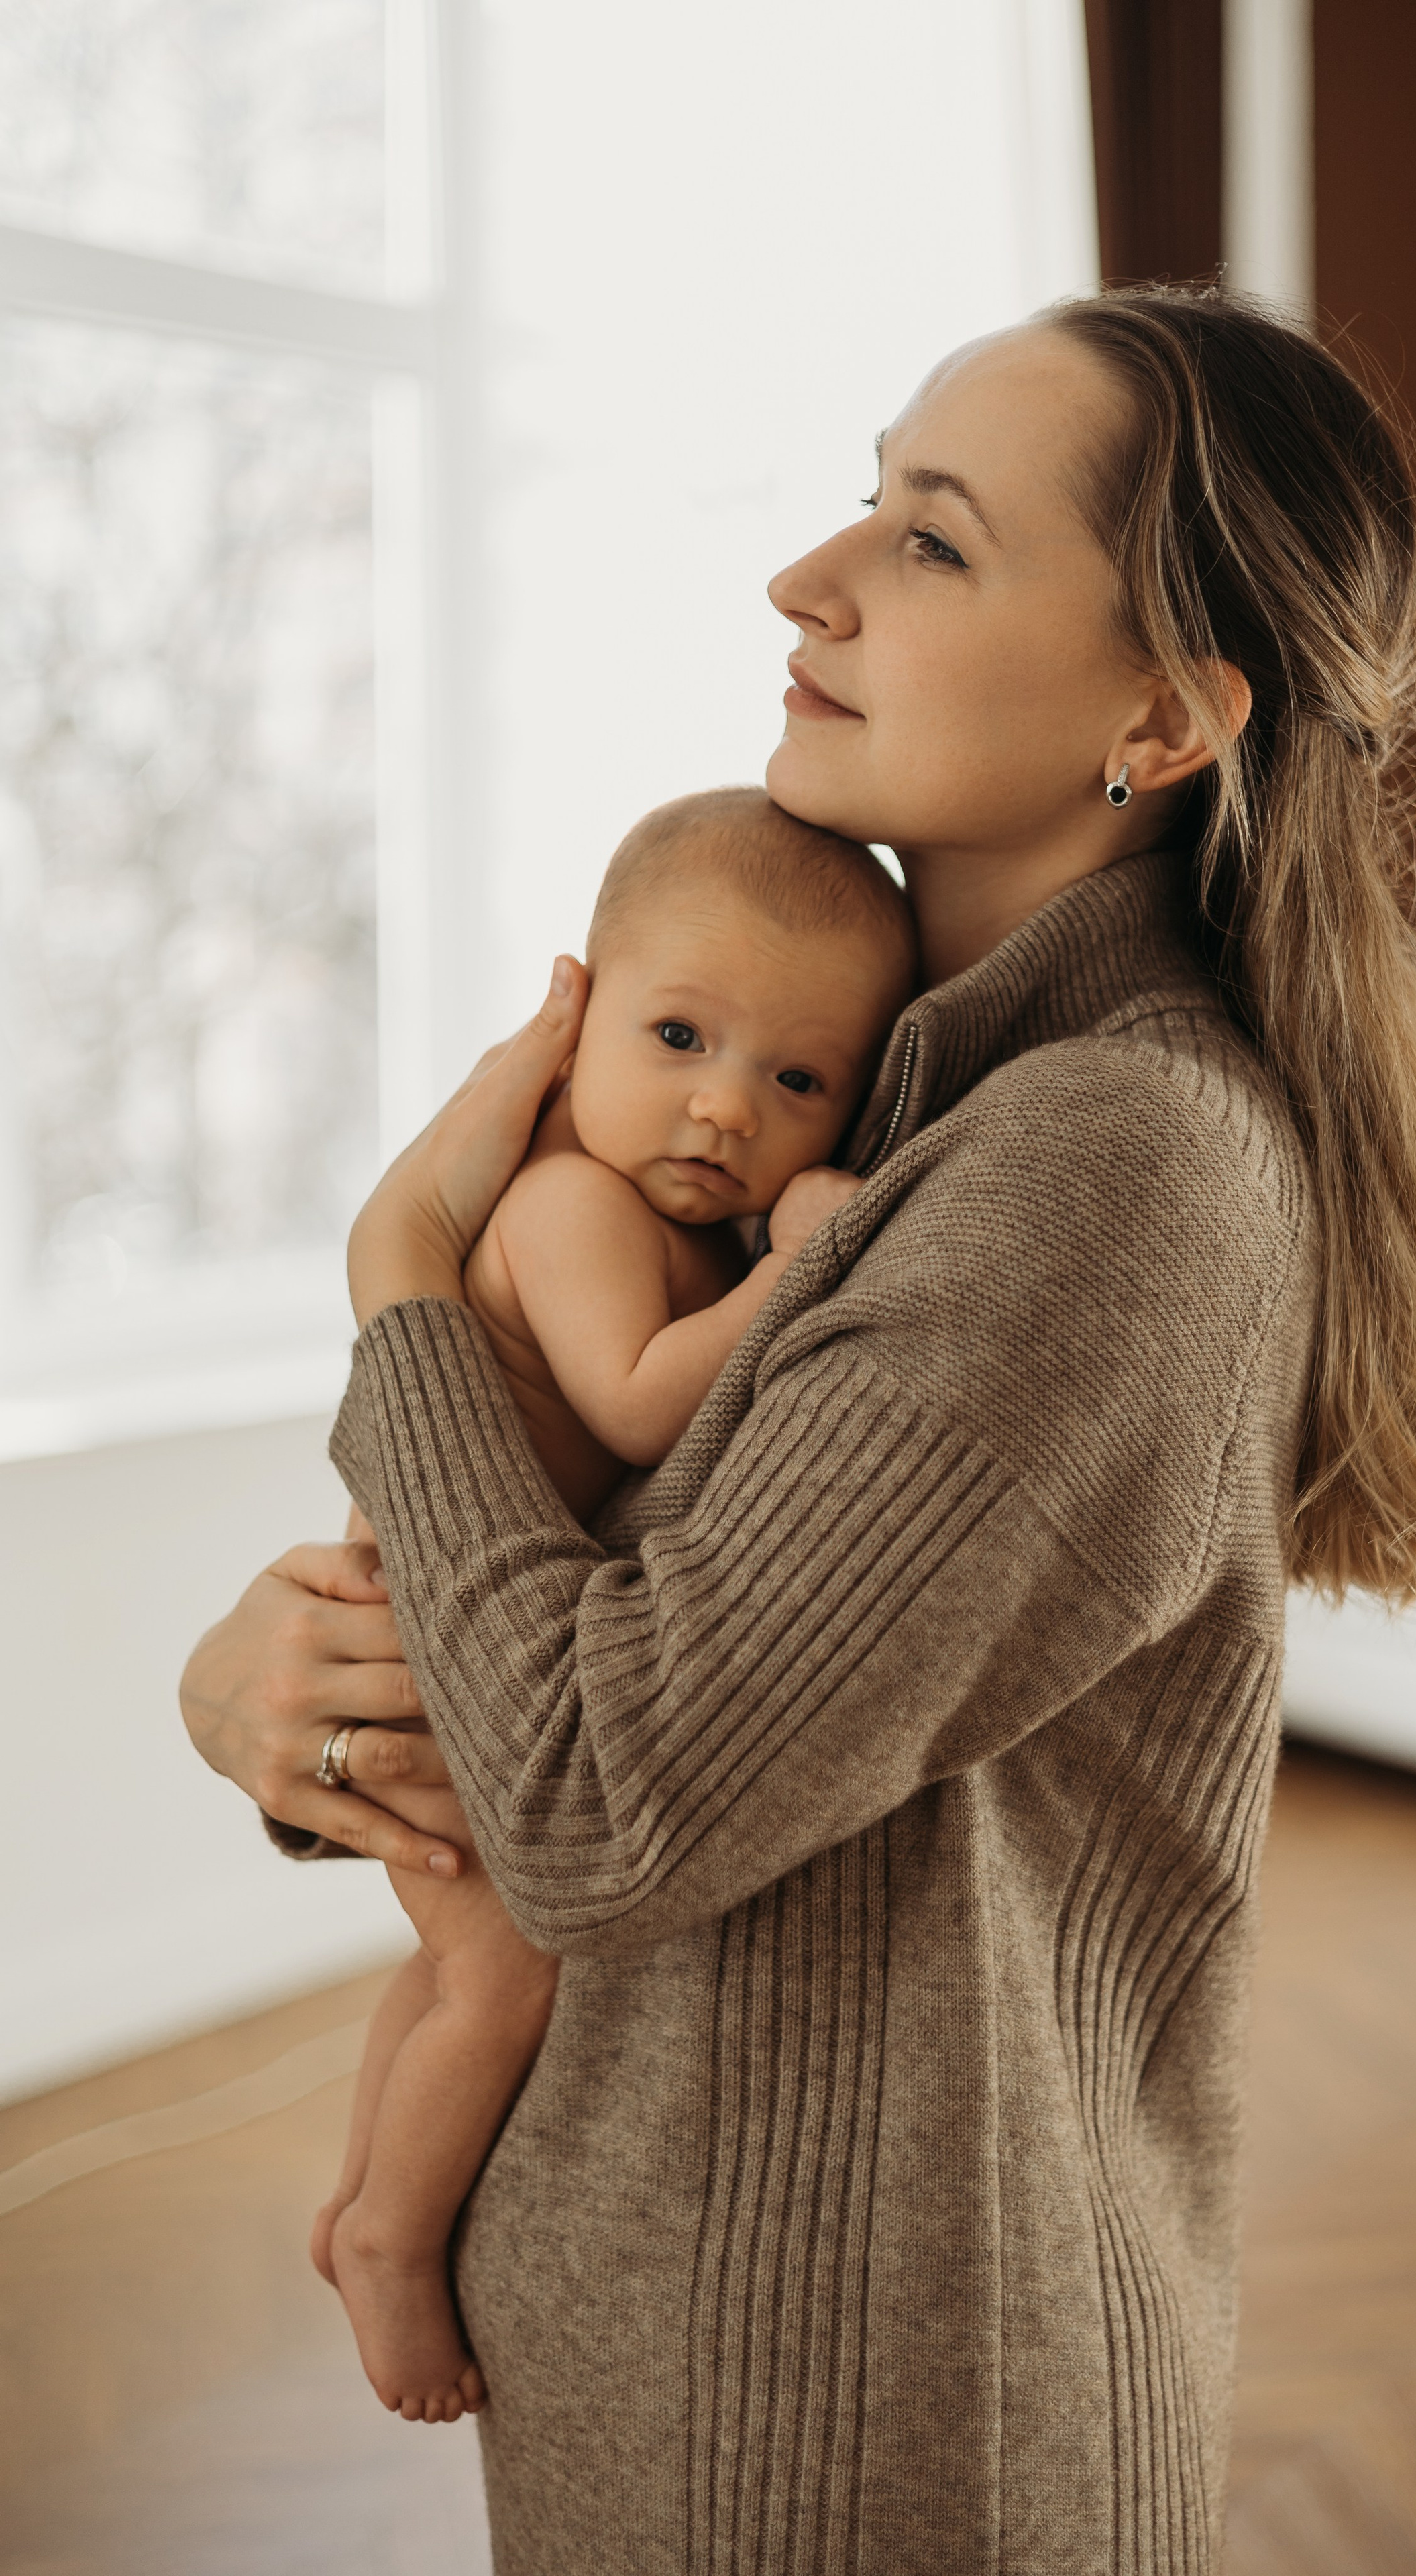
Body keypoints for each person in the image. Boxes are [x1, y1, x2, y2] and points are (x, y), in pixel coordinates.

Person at [182, 287, 1416, 2573]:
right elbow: (625, 1651)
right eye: (867, 494)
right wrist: (290, 1708)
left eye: (931, 537)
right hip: (699, 2353)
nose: (806, 576)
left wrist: (401, 1288)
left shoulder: (1106, 1168)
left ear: (1160, 715)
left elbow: (606, 1797)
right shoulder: (893, 1121)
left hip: (856, 2432)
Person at [307, 788, 916, 2422]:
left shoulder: (676, 1222)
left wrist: (782, 1234)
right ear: (569, 1021)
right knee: (501, 1975)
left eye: (796, 1081)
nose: (724, 1108)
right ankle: (387, 2234)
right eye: (676, 1035)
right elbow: (644, 1405)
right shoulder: (573, 1205)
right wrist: (812, 1263)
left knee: (450, 1966)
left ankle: (364, 2191)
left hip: (452, 1644)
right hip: (425, 1661)